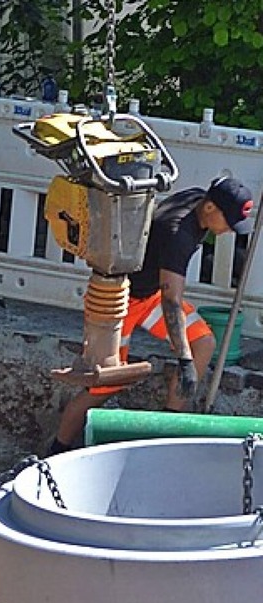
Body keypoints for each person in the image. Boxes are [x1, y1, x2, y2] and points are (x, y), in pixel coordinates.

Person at [49, 176, 254, 455]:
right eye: (228, 220)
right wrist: (184, 361)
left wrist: (190, 359)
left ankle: (168, 429)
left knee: (203, 343)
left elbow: (167, 296)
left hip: (149, 295)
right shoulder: (178, 235)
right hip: (117, 301)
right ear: (209, 208)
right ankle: (55, 449)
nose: (230, 230)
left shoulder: (196, 196)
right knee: (107, 383)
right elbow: (172, 301)